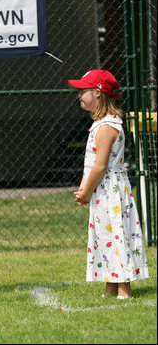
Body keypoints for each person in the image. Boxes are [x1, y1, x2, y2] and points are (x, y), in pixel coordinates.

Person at [67, 69, 149, 299]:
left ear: (98, 93)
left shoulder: (106, 127)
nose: (79, 96)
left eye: (83, 91)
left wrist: (87, 190)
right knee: (105, 234)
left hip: (109, 190)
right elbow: (90, 163)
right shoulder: (101, 125)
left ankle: (124, 289)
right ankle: (111, 286)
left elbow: (100, 166)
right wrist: (84, 189)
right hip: (102, 190)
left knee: (115, 234)